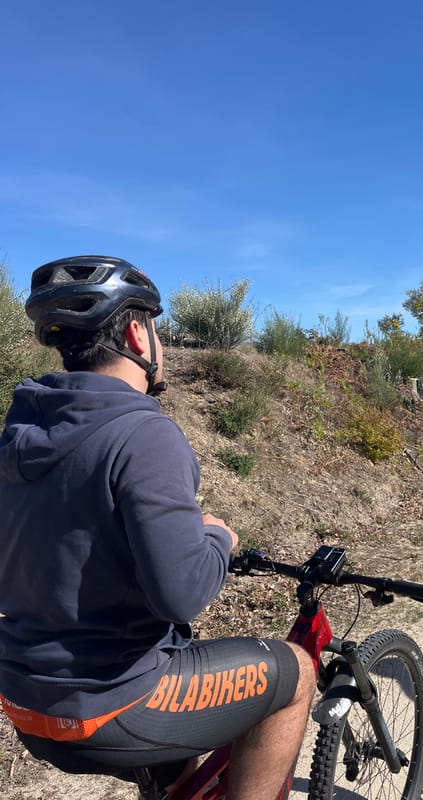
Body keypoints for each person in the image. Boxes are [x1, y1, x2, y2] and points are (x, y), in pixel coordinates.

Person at [0, 255, 315, 800]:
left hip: (24, 699)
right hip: (111, 701)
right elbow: (182, 595)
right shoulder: (143, 433)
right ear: (136, 334)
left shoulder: (17, 435)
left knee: (184, 759)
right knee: (298, 673)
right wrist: (217, 538)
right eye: (156, 327)